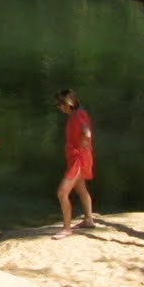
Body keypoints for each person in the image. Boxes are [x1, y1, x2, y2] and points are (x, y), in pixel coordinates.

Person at [54, 88, 95, 236]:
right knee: (81, 189)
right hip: (75, 159)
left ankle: (67, 228)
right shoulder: (75, 115)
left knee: (62, 193)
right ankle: (88, 220)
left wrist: (84, 141)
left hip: (79, 159)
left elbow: (87, 132)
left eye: (59, 104)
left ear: (67, 103)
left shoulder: (79, 115)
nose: (58, 107)